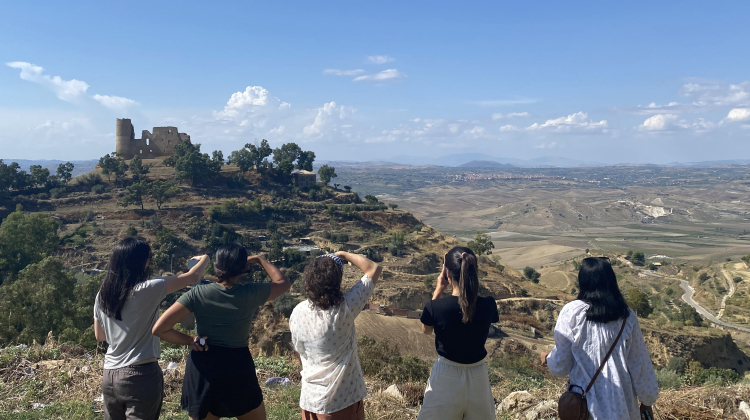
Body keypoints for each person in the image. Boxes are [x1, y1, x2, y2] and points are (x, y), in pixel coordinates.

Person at [152, 243, 290, 420]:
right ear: (242, 269)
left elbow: (159, 329)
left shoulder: (198, 294)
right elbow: (282, 283)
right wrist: (260, 260)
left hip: (203, 366)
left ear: (216, 266)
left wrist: (191, 340)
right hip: (237, 366)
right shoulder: (251, 293)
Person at [94, 236, 209, 420]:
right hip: (140, 374)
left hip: (109, 376)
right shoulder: (148, 288)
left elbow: (100, 336)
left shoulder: (102, 295)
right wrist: (206, 258)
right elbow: (193, 277)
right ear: (143, 263)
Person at [541, 257, 659, 420]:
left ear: (582, 282)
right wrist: (647, 401)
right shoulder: (626, 316)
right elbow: (639, 364)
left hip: (585, 408)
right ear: (611, 282)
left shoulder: (572, 313)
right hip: (623, 406)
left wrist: (548, 359)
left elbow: (561, 366)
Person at [289, 251, 382, 420]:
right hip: (340, 402)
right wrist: (343, 255)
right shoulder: (344, 309)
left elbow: (299, 352)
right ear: (335, 282)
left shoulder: (298, 312)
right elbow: (373, 268)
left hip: (309, 399)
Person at [417, 246, 499, 420]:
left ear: (447, 274)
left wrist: (438, 290)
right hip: (479, 378)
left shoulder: (435, 307)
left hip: (446, 375)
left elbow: (426, 330)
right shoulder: (489, 304)